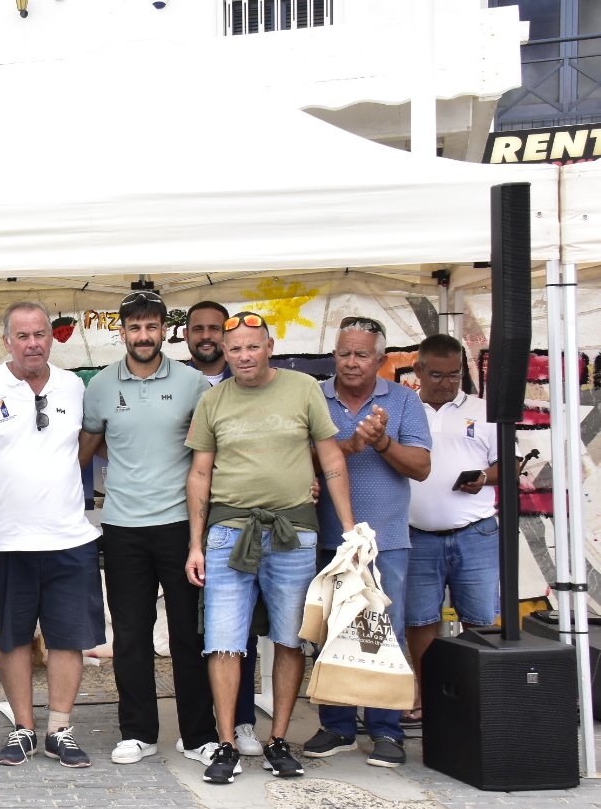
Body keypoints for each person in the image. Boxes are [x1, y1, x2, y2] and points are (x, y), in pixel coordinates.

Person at [185, 311, 355, 785]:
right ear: (225, 350)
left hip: (293, 532)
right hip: (227, 534)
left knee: (289, 637)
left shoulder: (303, 390)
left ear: (270, 346)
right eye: (234, 348)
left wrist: (349, 528)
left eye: (252, 346)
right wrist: (195, 545)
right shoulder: (213, 400)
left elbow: (331, 458)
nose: (243, 356)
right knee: (222, 641)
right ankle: (226, 744)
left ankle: (278, 739)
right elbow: (200, 474)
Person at [0, 302, 104, 768]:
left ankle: (59, 728)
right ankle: (23, 728)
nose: (33, 343)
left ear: (51, 338)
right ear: (6, 341)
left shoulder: (75, 386)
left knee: (69, 638)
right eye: (23, 336)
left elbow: (87, 444)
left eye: (40, 334)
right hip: (3, 541)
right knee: (14, 638)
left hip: (69, 537)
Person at [80, 290, 214, 766]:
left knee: (187, 636)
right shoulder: (98, 386)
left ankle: (198, 736)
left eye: (151, 327)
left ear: (164, 331)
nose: (143, 336)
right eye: (134, 328)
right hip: (121, 526)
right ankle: (137, 733)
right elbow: (88, 445)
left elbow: (210, 449)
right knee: (132, 637)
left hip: (180, 525)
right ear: (122, 332)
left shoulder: (193, 382)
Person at [302, 317, 431, 768]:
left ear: (381, 359)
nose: (351, 362)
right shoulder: (313, 396)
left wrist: (382, 442)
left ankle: (386, 731)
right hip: (327, 538)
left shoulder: (404, 400)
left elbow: (420, 467)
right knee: (331, 632)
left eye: (361, 354)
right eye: (344, 353)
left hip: (387, 540)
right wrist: (348, 445)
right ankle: (336, 726)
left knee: (385, 634)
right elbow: (298, 458)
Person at [181, 300, 264, 761]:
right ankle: (200, 728)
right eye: (199, 328)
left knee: (241, 627)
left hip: (240, 524)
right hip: (188, 520)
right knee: (200, 631)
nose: (208, 336)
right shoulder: (176, 383)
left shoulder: (252, 382)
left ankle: (244, 720)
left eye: (217, 328)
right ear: (187, 335)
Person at [404, 333, 499, 722]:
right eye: (438, 374)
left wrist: (484, 478)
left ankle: (482, 700)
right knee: (420, 621)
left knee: (479, 620)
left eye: (454, 375)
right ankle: (427, 697)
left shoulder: (483, 409)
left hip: (474, 532)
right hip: (416, 535)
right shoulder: (404, 409)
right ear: (418, 370)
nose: (446, 382)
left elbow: (506, 465)